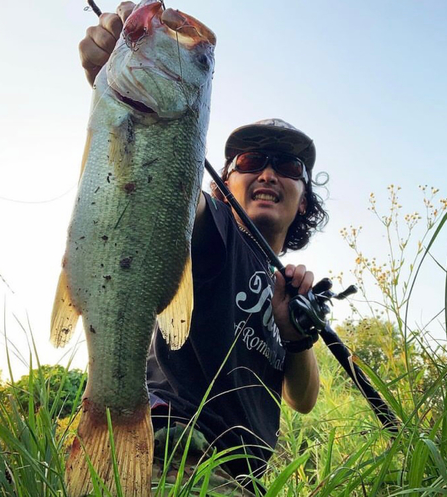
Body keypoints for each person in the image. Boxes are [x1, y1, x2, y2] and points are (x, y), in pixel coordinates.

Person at [79, 2, 328, 493]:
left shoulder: (292, 290)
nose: (269, 174)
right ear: (224, 183)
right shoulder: (212, 227)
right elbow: (164, 194)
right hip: (174, 450)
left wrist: (297, 334)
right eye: (252, 160)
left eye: (288, 167)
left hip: (247, 479)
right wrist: (126, 90)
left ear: (304, 202)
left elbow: (303, 399)